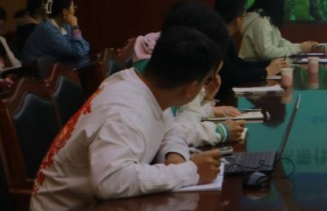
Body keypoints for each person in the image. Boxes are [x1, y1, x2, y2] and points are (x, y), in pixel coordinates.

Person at [30, 26, 224, 210]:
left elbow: (169, 129)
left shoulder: (147, 87)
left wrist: (175, 157)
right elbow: (110, 181)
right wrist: (190, 171)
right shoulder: (127, 111)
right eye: (206, 80)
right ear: (191, 87)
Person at [122, 1, 246, 146]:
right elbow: (167, 133)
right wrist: (218, 131)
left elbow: (171, 125)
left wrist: (205, 102)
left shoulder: (163, 63)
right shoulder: (160, 74)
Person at [214, 0, 285, 95]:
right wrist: (266, 72)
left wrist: (269, 64)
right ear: (238, 20)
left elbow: (238, 63)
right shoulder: (216, 41)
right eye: (245, 16)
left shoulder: (226, 38)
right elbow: (231, 75)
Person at [238, 0, 317, 61]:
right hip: (254, 67)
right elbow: (267, 53)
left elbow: (279, 41)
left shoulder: (266, 18)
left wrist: (300, 46)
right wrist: (298, 49)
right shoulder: (260, 21)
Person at [21, 0, 90, 66]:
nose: (74, 11)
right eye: (73, 7)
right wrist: (75, 26)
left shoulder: (65, 26)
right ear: (65, 11)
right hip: (33, 70)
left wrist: (74, 29)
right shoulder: (47, 29)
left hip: (50, 67)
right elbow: (79, 52)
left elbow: (85, 46)